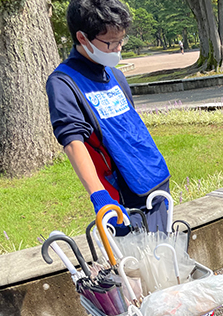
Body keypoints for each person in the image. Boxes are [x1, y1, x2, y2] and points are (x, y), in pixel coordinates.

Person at [46, 0, 171, 233]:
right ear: (82, 38)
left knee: (167, 257)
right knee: (138, 267)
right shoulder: (64, 83)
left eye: (121, 40)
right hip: (123, 199)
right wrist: (100, 197)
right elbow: (73, 142)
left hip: (156, 180)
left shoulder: (115, 74)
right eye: (111, 43)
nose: (118, 49)